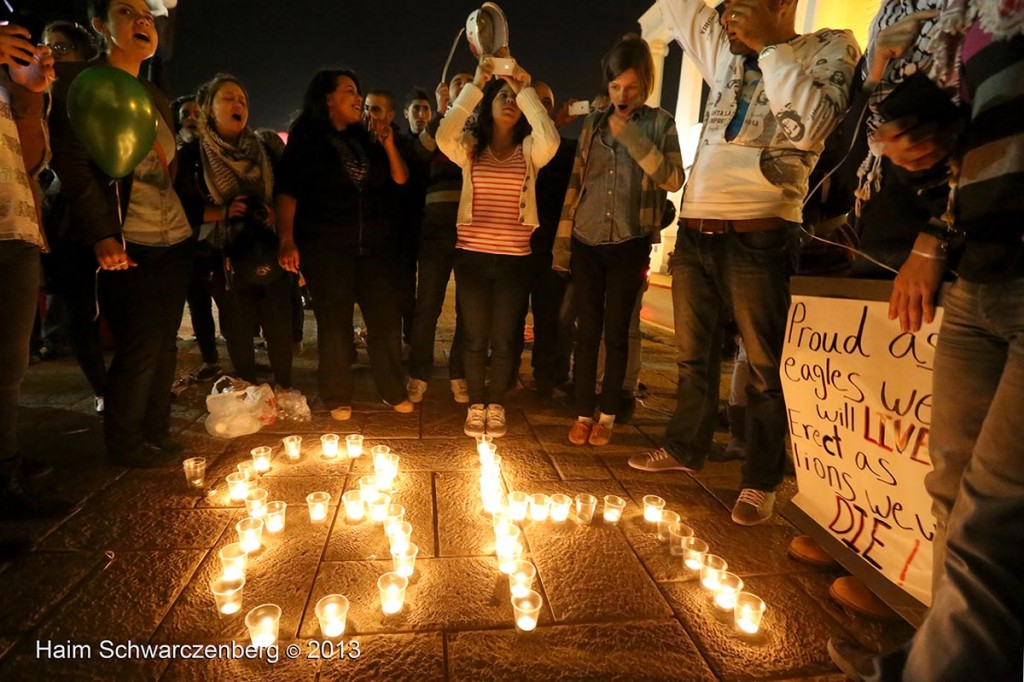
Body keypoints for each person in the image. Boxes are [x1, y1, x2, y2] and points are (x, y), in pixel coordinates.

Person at [828, 2, 1024, 680]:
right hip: (980, 267)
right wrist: (932, 157)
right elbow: (979, 151)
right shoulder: (984, 17)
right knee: (950, 489)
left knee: (990, 513)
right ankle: (938, 658)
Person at [631, 0, 858, 525]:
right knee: (693, 358)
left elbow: (810, 128)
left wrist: (770, 48)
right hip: (694, 231)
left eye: (738, 8)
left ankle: (761, 478)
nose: (725, 17)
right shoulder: (728, 56)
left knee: (763, 369)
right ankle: (685, 447)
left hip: (762, 231)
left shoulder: (829, 46)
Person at [49, 0, 194, 468]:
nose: (142, 22)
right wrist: (102, 234)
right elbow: (72, 166)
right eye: (128, 12)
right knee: (139, 344)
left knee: (166, 339)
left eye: (148, 17)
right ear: (100, 25)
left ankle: (157, 430)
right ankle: (125, 442)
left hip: (172, 232)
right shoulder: (81, 84)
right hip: (125, 236)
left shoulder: (155, 95)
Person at [552, 35, 684, 447]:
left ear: (644, 83)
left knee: (617, 330)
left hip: (629, 240)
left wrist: (633, 139)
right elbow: (577, 184)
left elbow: (673, 178)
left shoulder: (661, 123)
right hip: (588, 237)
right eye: (614, 88)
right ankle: (582, 411)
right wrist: (564, 240)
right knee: (586, 329)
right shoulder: (593, 123)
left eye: (630, 88)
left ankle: (607, 414)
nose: (622, 96)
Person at [277, 69, 414, 420]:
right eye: (350, 91)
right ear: (328, 98)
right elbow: (288, 191)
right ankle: (337, 395)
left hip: (375, 248)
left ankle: (392, 388)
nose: (358, 98)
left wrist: (386, 143)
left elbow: (400, 180)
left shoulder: (365, 137)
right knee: (334, 323)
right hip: (327, 248)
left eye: (358, 90)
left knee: (385, 319)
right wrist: (287, 239)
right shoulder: (306, 137)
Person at [436, 57, 559, 437]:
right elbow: (444, 135)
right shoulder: (470, 150)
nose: (509, 101)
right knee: (474, 335)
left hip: (514, 261)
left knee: (506, 337)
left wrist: (523, 86)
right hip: (471, 257)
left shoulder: (530, 151)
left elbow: (551, 137)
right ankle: (476, 404)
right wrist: (476, 83)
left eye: (513, 99)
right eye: (502, 96)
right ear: (488, 105)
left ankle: (497, 404)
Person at [0, 22, 72, 553]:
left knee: (7, 366)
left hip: (12, 226)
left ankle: (4, 478)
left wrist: (27, 94)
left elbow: (26, 161)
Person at [175, 73, 293, 388]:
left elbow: (287, 191)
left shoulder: (265, 148)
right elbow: (180, 205)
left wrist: (272, 214)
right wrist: (223, 212)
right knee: (237, 326)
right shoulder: (193, 155)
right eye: (228, 98)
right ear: (208, 109)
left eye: (242, 99)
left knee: (278, 323)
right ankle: (247, 387)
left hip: (268, 246)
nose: (238, 103)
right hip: (224, 255)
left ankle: (284, 385)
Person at [405, 72, 473, 405]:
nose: (462, 84)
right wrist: (445, 111)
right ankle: (419, 373)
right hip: (434, 229)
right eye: (457, 81)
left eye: (468, 81)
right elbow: (420, 151)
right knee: (427, 304)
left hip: (471, 229)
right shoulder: (440, 125)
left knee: (467, 308)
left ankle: (458, 372)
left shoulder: (480, 128)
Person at [510, 81, 577, 400]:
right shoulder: (510, 146)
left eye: (547, 102)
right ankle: (506, 371)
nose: (541, 107)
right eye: (535, 101)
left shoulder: (568, 150)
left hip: (551, 246)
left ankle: (547, 376)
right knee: (510, 314)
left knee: (550, 318)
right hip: (514, 245)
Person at [173, 92, 221, 382]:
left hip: (207, 240)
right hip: (179, 238)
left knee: (202, 301)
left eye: (196, 114)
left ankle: (211, 358)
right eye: (185, 115)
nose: (191, 119)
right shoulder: (172, 153)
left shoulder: (212, 153)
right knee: (175, 304)